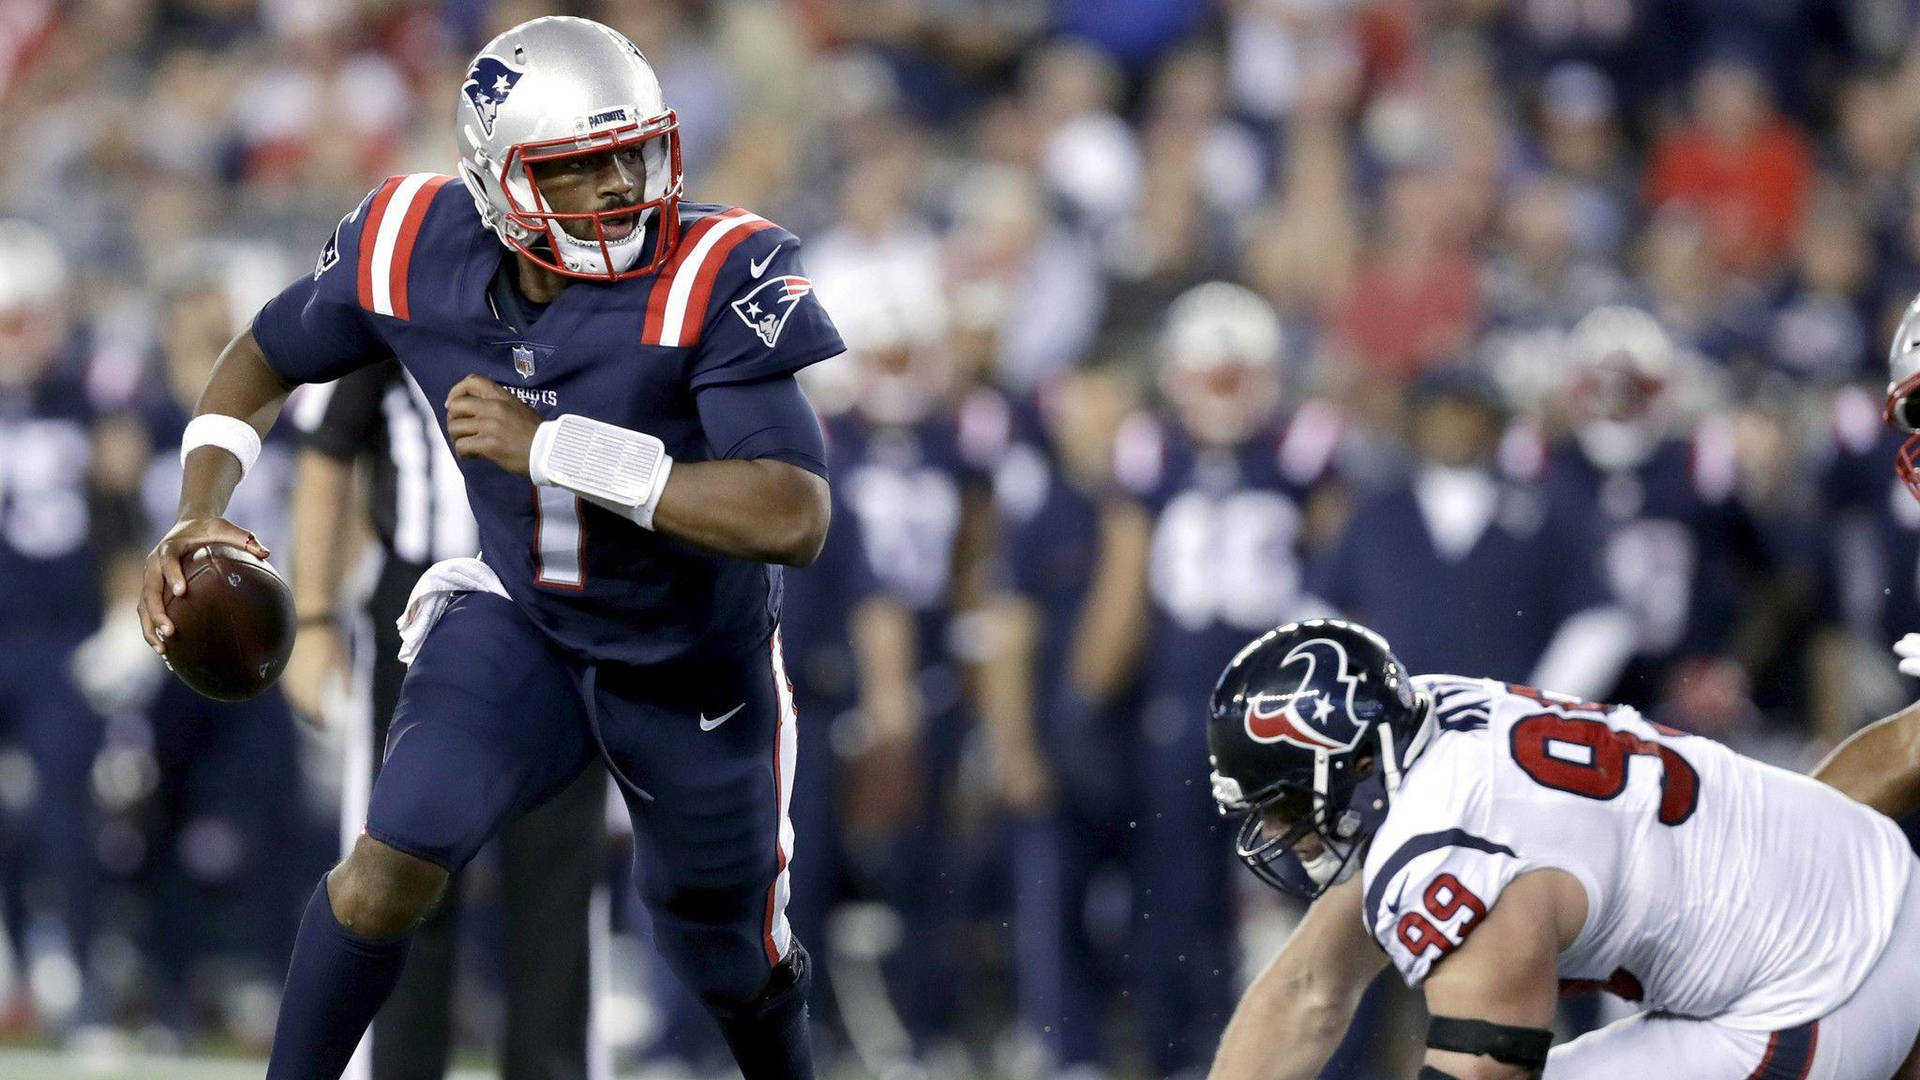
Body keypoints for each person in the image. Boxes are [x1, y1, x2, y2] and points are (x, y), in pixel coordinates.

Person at [134, 17, 844, 1080]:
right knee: (387, 865)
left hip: (693, 659)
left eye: (631, 152)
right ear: (497, 185)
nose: (617, 186)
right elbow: (264, 356)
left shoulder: (718, 267)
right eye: (580, 167)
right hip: (526, 623)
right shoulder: (409, 241)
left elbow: (794, 514)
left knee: (728, 956)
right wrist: (198, 508)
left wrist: (559, 448)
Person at [1204, 618, 1920, 1080]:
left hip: (1820, 993)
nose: (1274, 831)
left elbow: (1483, 1072)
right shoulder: (1431, 720)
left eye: (1288, 802)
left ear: (1361, 767)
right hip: (1875, 877)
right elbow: (1307, 991)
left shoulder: (1452, 851)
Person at [283, 357, 607, 1080]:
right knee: (398, 871)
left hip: (562, 606)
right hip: (420, 611)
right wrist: (311, 617)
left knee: (557, 883)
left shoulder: (598, 296)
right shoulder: (401, 275)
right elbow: (329, 447)